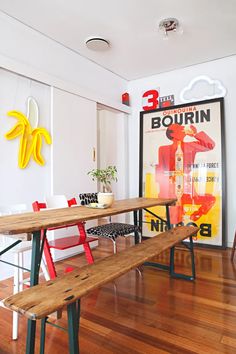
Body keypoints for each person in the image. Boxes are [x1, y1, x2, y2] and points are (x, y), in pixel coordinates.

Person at [155, 123, 216, 223]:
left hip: (188, 192)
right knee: (174, 221)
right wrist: (163, 193)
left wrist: (195, 134)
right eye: (179, 128)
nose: (183, 128)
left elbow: (210, 145)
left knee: (210, 199)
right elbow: (161, 171)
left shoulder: (191, 146)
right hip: (171, 193)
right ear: (173, 134)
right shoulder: (163, 149)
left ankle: (192, 218)